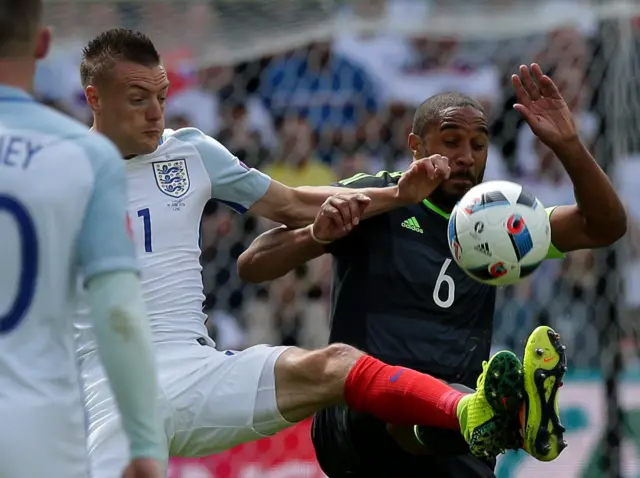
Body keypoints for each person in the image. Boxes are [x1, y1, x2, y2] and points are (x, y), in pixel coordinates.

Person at [74, 28, 525, 477]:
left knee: (335, 364)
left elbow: (290, 204)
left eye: (162, 97)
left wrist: (399, 195)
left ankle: (471, 411)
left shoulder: (190, 151)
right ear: (95, 99)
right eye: (138, 99)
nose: (156, 114)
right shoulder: (57, 173)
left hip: (197, 372)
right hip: (110, 386)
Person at [237, 66, 627, 477]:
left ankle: (506, 419)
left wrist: (568, 145)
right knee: (424, 408)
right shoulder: (378, 195)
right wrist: (317, 235)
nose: (466, 156)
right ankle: (512, 418)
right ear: (417, 146)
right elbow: (252, 264)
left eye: (479, 144)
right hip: (356, 413)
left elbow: (603, 226)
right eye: (452, 141)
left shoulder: (500, 217)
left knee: (465, 423)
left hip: (457, 422)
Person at [0, 5, 164, 478]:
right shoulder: (84, 156)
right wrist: (145, 443)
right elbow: (118, 313)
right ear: (43, 45)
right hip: (37, 432)